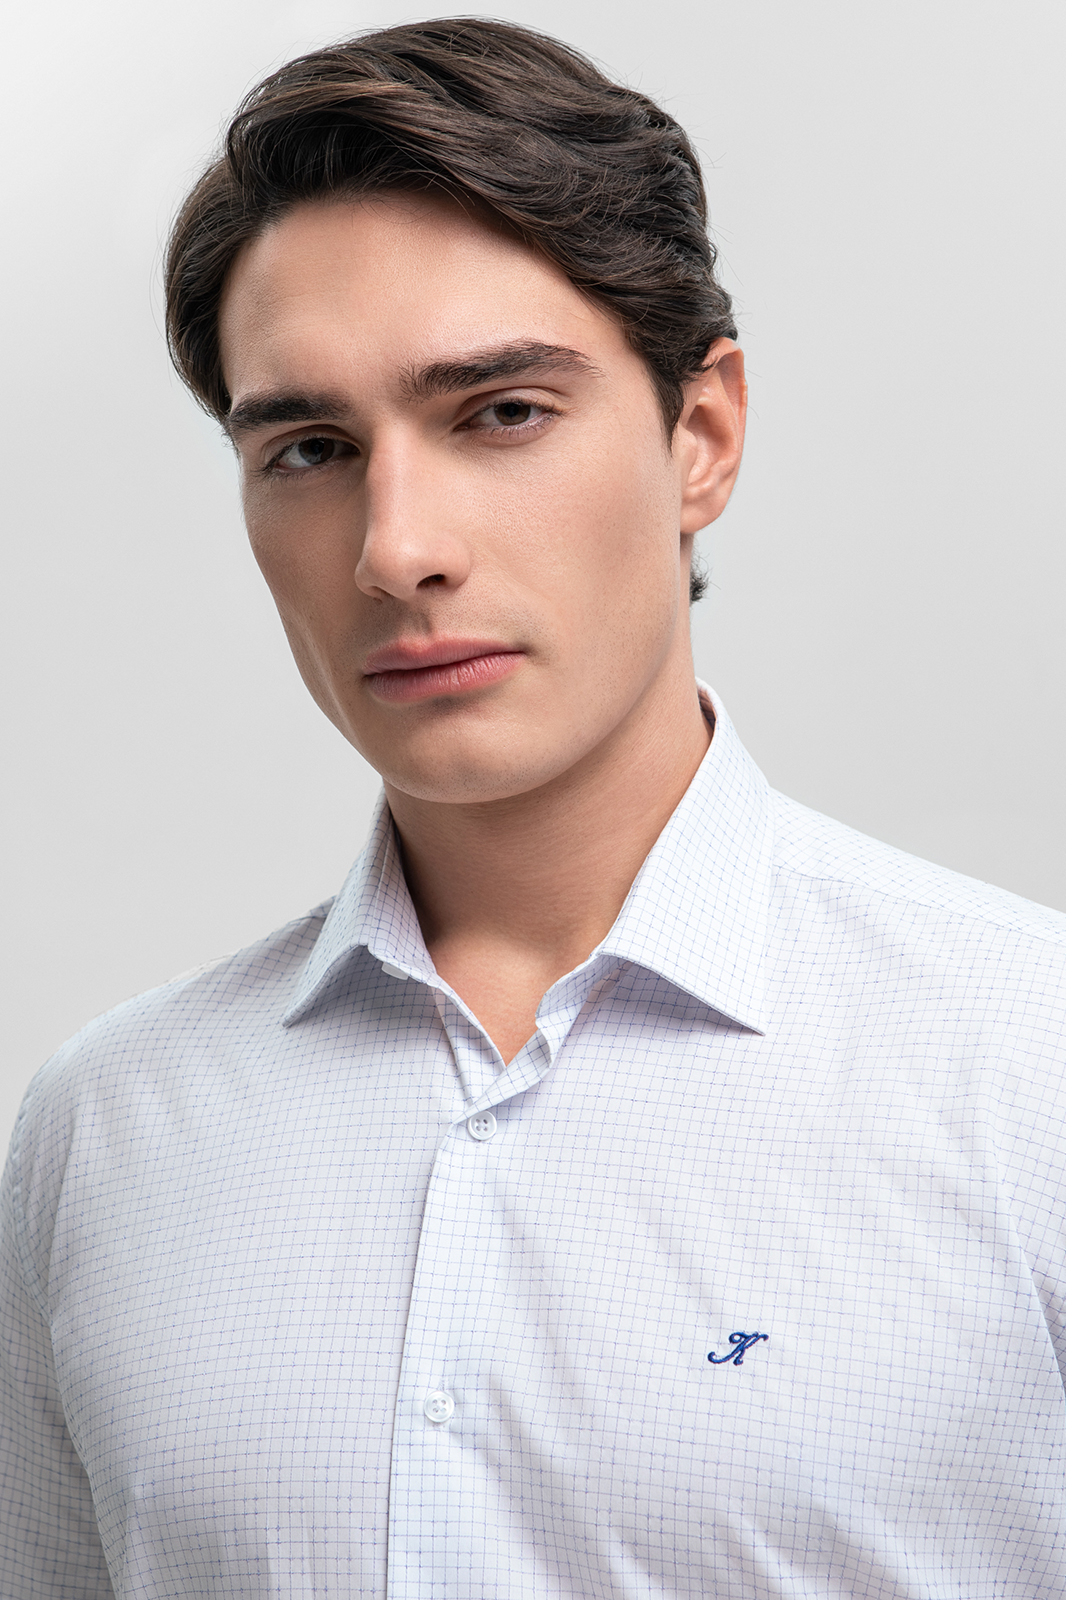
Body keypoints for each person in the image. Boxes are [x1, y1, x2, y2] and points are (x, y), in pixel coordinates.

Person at [2, 16, 1065, 1597]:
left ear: (700, 435)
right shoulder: (105, 1134)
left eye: (499, 412)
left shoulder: (1028, 1073)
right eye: (308, 447)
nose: (396, 549)